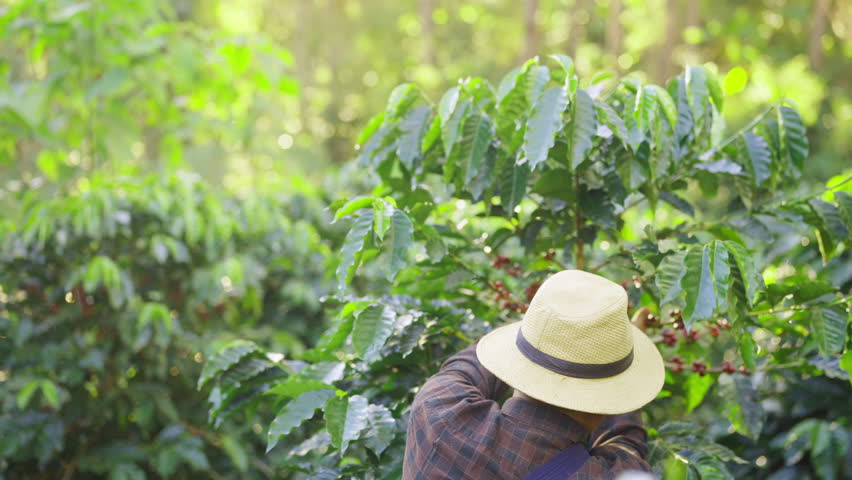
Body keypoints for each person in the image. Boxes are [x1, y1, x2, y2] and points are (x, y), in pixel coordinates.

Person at [402, 270, 665, 479]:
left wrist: (543, 326)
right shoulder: (610, 473)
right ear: (614, 397)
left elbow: (468, 366)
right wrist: (618, 349)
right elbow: (627, 447)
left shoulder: (438, 412)